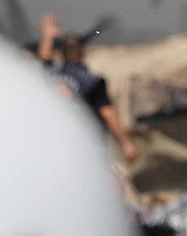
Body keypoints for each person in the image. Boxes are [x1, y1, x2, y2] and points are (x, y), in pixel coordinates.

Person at [46, 27, 137, 164]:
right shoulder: (92, 81)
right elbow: (107, 112)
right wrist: (126, 143)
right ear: (83, 50)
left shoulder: (51, 76)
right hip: (88, 144)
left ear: (60, 52)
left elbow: (44, 59)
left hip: (58, 144)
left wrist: (47, 37)